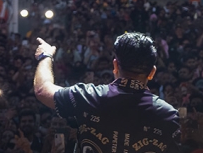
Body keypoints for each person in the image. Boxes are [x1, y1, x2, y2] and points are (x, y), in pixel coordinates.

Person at [33, 33, 181, 153]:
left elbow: (42, 89)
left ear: (115, 65)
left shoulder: (87, 96)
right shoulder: (169, 115)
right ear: (152, 72)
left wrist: (45, 56)